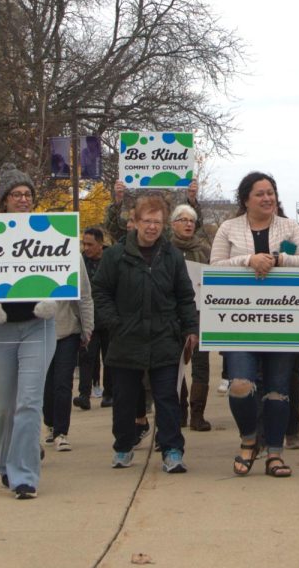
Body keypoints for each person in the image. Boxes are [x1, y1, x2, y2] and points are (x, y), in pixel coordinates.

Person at [210, 171, 299, 477]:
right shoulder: (228, 229)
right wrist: (248, 260)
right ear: (246, 199)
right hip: (239, 325)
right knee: (241, 386)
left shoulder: (290, 227)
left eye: (271, 192)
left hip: (281, 323)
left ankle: (275, 453)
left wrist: (278, 259)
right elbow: (214, 267)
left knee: (278, 391)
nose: (267, 198)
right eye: (260, 193)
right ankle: (249, 439)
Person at [93, 195, 199, 473]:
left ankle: (172, 449)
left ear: (164, 225)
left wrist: (190, 329)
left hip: (164, 337)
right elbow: (100, 292)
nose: (152, 227)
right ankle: (123, 446)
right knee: (126, 398)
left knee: (167, 397)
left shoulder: (172, 256)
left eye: (158, 222)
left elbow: (185, 296)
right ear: (136, 222)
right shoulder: (115, 255)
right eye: (147, 221)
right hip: (125, 338)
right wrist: (114, 323)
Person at [0, 164, 62, 499]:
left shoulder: (51, 230)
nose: (23, 199)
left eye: (27, 194)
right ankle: (5, 462)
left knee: (29, 401)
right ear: (4, 200)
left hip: (38, 327)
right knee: (4, 405)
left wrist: (56, 300)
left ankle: (25, 474)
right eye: (16, 194)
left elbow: (65, 275)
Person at [42, 250, 93, 452]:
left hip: (68, 330)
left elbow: (85, 295)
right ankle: (50, 422)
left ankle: (61, 432)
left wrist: (87, 328)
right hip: (38, 331)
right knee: (46, 384)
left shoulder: (73, 255)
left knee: (63, 383)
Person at [168, 203, 213, 431]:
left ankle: (198, 413)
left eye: (191, 221)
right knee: (176, 364)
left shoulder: (204, 250)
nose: (188, 224)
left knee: (201, 365)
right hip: (173, 316)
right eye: (183, 220)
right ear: (173, 224)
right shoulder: (164, 249)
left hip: (200, 314)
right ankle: (180, 411)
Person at [74, 227, 110, 410]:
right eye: (84, 243)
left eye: (90, 244)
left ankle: (109, 393)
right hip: (90, 320)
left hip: (109, 319)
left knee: (110, 357)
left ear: (100, 245)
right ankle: (84, 394)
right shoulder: (80, 261)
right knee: (87, 357)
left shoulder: (111, 260)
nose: (86, 247)